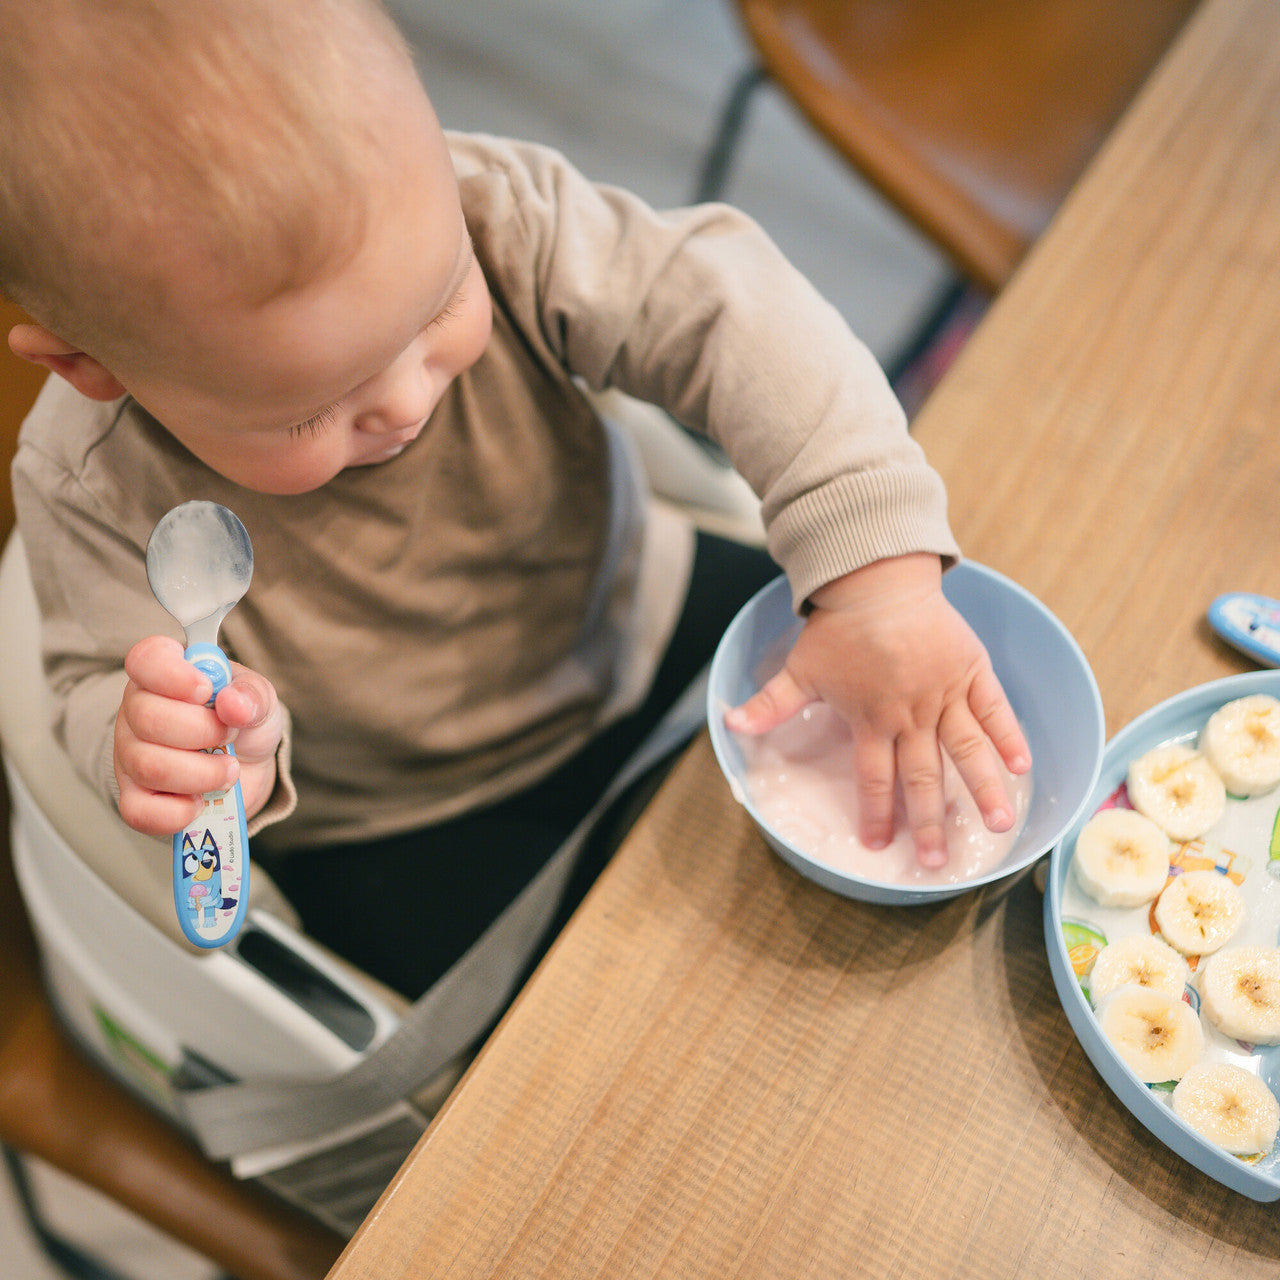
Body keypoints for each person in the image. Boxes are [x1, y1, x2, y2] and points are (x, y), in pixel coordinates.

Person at [1, 0, 1029, 1004]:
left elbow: (729, 313)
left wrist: (877, 581)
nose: (408, 399)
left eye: (441, 300)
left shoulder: (489, 209)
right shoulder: (92, 480)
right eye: (312, 409)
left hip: (636, 621)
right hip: (400, 819)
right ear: (92, 366)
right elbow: (92, 680)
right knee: (637, 1028)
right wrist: (173, 747)